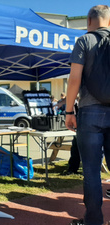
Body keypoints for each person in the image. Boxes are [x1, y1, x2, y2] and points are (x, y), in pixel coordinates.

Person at [66, 5, 110, 225]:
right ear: (109, 22)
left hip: (90, 111)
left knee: (92, 170)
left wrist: (68, 111)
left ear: (89, 21)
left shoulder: (84, 41)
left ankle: (93, 221)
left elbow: (74, 79)